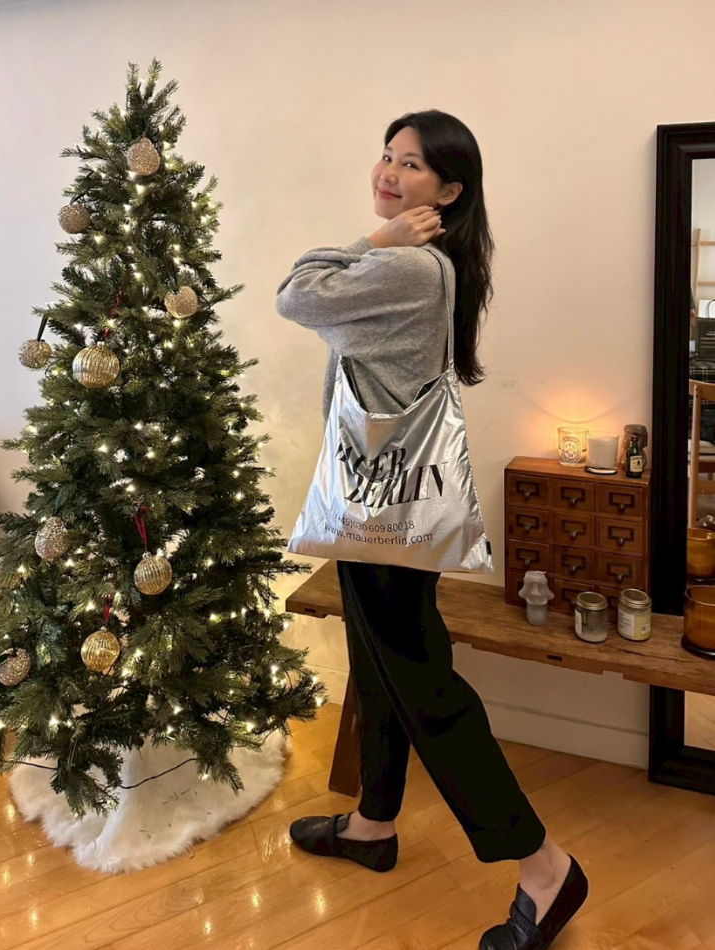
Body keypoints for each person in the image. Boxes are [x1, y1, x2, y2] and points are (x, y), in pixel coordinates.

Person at [275, 110, 588, 950]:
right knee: (384, 669)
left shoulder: (409, 265)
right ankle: (374, 823)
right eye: (386, 155)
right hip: (381, 505)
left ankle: (545, 866)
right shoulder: (425, 264)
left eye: (410, 164)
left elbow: (296, 293)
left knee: (425, 689)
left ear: (448, 191)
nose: (388, 172)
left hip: (383, 508)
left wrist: (370, 240)